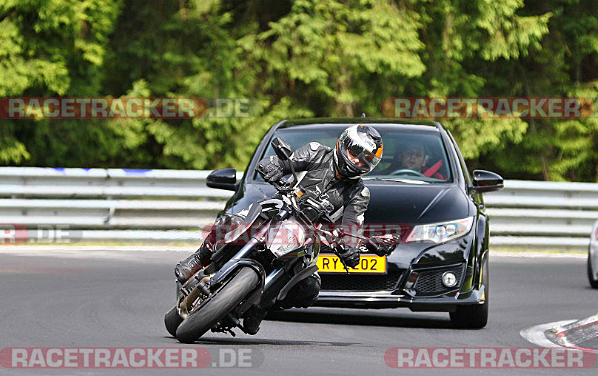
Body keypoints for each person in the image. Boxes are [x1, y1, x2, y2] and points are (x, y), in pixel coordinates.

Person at [173, 124, 383, 333]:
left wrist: (349, 247)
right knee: (230, 222)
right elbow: (280, 162)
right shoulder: (316, 152)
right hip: (279, 208)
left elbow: (352, 225)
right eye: (356, 153)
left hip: (308, 236)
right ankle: (198, 258)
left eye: (365, 159)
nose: (357, 161)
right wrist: (271, 168)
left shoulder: (359, 193)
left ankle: (262, 305)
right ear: (343, 144)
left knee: (309, 288)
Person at [380, 141, 444, 180]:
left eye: (418, 155)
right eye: (409, 153)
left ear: (424, 162)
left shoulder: (435, 179)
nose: (413, 157)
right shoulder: (383, 177)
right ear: (400, 157)